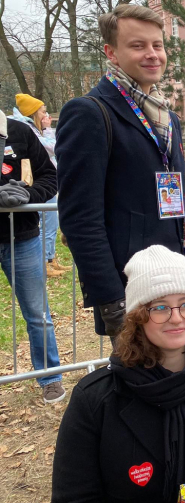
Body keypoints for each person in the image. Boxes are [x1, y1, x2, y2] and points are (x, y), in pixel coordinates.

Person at [55, 4, 185, 338]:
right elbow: (80, 219)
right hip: (132, 287)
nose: (152, 54)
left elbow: (171, 200)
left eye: (157, 45)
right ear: (112, 53)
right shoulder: (90, 113)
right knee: (144, 385)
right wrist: (111, 300)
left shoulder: (169, 119)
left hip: (177, 281)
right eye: (138, 46)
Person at [52, 245, 185, 503]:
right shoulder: (96, 400)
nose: (176, 318)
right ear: (137, 317)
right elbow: (75, 496)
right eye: (160, 307)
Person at [0, 110, 65, 403]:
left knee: (38, 315)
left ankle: (50, 377)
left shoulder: (19, 131)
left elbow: (49, 176)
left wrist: (29, 196)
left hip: (21, 239)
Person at [12, 93, 68, 277]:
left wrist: (47, 128)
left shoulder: (37, 130)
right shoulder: (28, 131)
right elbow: (54, 147)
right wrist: (48, 129)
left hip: (49, 183)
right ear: (34, 113)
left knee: (52, 223)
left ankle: (50, 258)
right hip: (40, 184)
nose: (46, 115)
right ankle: (44, 263)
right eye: (43, 111)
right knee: (46, 224)